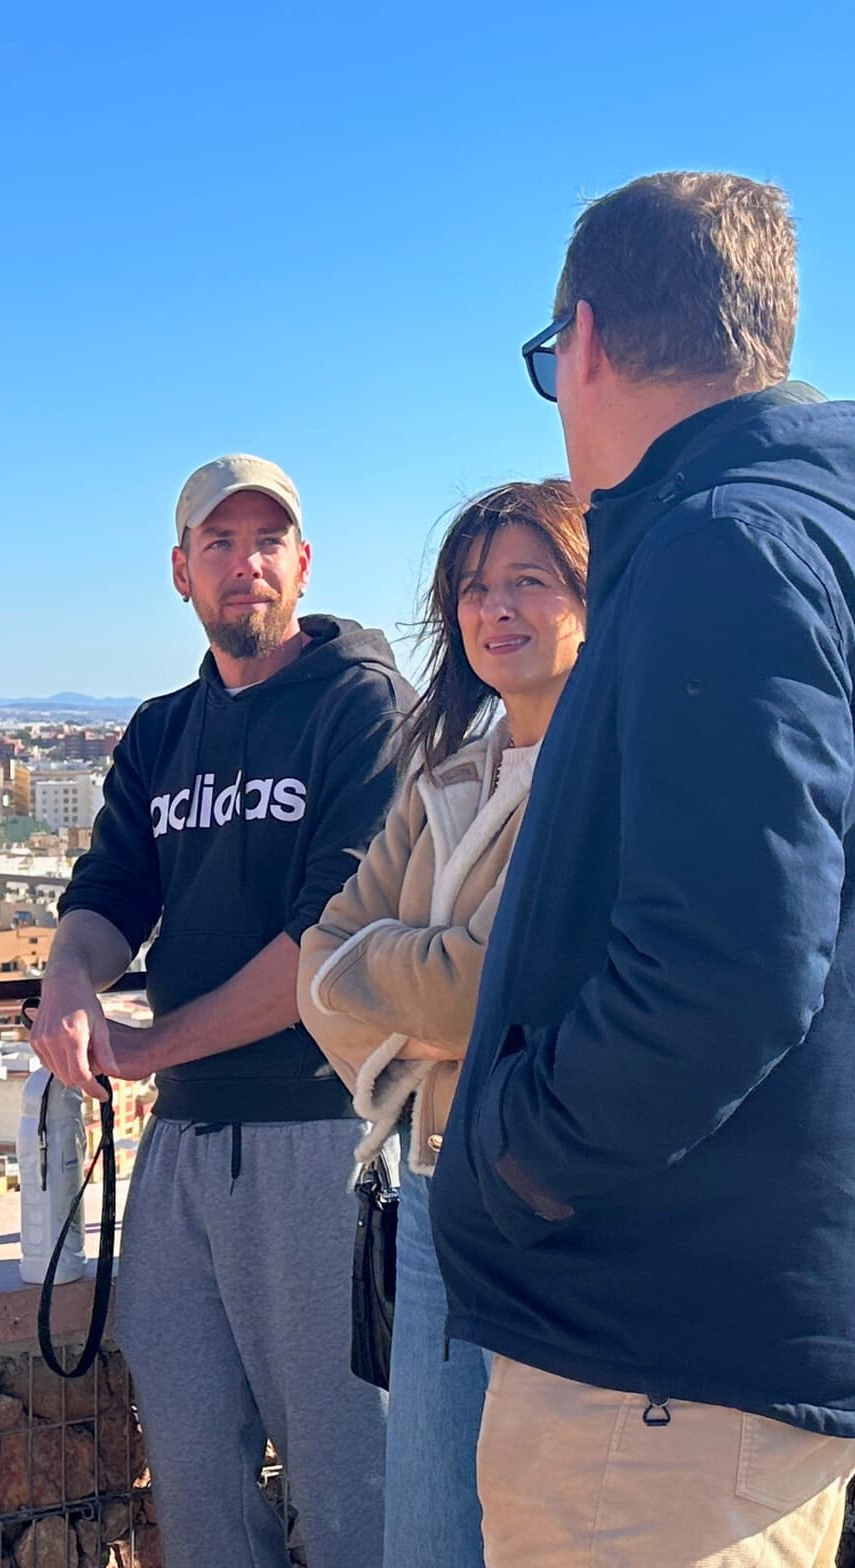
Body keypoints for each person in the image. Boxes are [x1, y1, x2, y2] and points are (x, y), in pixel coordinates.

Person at [437, 173, 855, 1567]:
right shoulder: (832, 541)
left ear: (588, 341)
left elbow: (720, 976)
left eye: (552, 366)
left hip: (658, 1356)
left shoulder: (723, 547)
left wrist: (514, 1160)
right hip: (721, 1342)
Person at [30, 453, 409, 1568]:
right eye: (220, 543)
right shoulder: (160, 732)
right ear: (181, 573)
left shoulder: (364, 708)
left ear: (302, 563)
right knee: (194, 1466)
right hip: (186, 1145)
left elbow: (326, 943)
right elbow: (111, 896)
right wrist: (66, 980)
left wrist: (148, 1044)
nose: (244, 562)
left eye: (266, 541)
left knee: (350, 1481)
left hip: (321, 1132)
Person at [295, 477, 589, 1568]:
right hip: (426, 1190)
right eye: (473, 588)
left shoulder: (603, 782)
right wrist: (424, 995)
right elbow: (316, 967)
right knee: (424, 1525)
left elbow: (496, 988)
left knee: (535, 1526)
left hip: (544, 1206)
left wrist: (388, 979)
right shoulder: (446, 775)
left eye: (530, 580)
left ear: (590, 598)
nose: (495, 608)